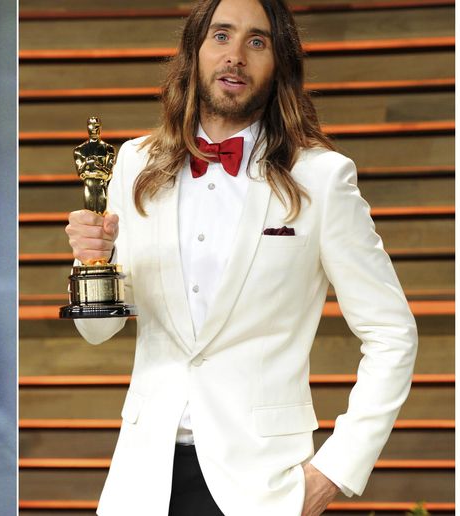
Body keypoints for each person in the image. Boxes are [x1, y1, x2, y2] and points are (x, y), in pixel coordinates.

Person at [64, 0, 417, 514]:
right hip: (143, 479)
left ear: (279, 64)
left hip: (263, 486)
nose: (236, 56)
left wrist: (334, 471)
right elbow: (99, 330)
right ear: (195, 51)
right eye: (221, 36)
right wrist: (90, 263)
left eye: (257, 41)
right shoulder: (134, 164)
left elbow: (392, 334)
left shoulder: (321, 177)